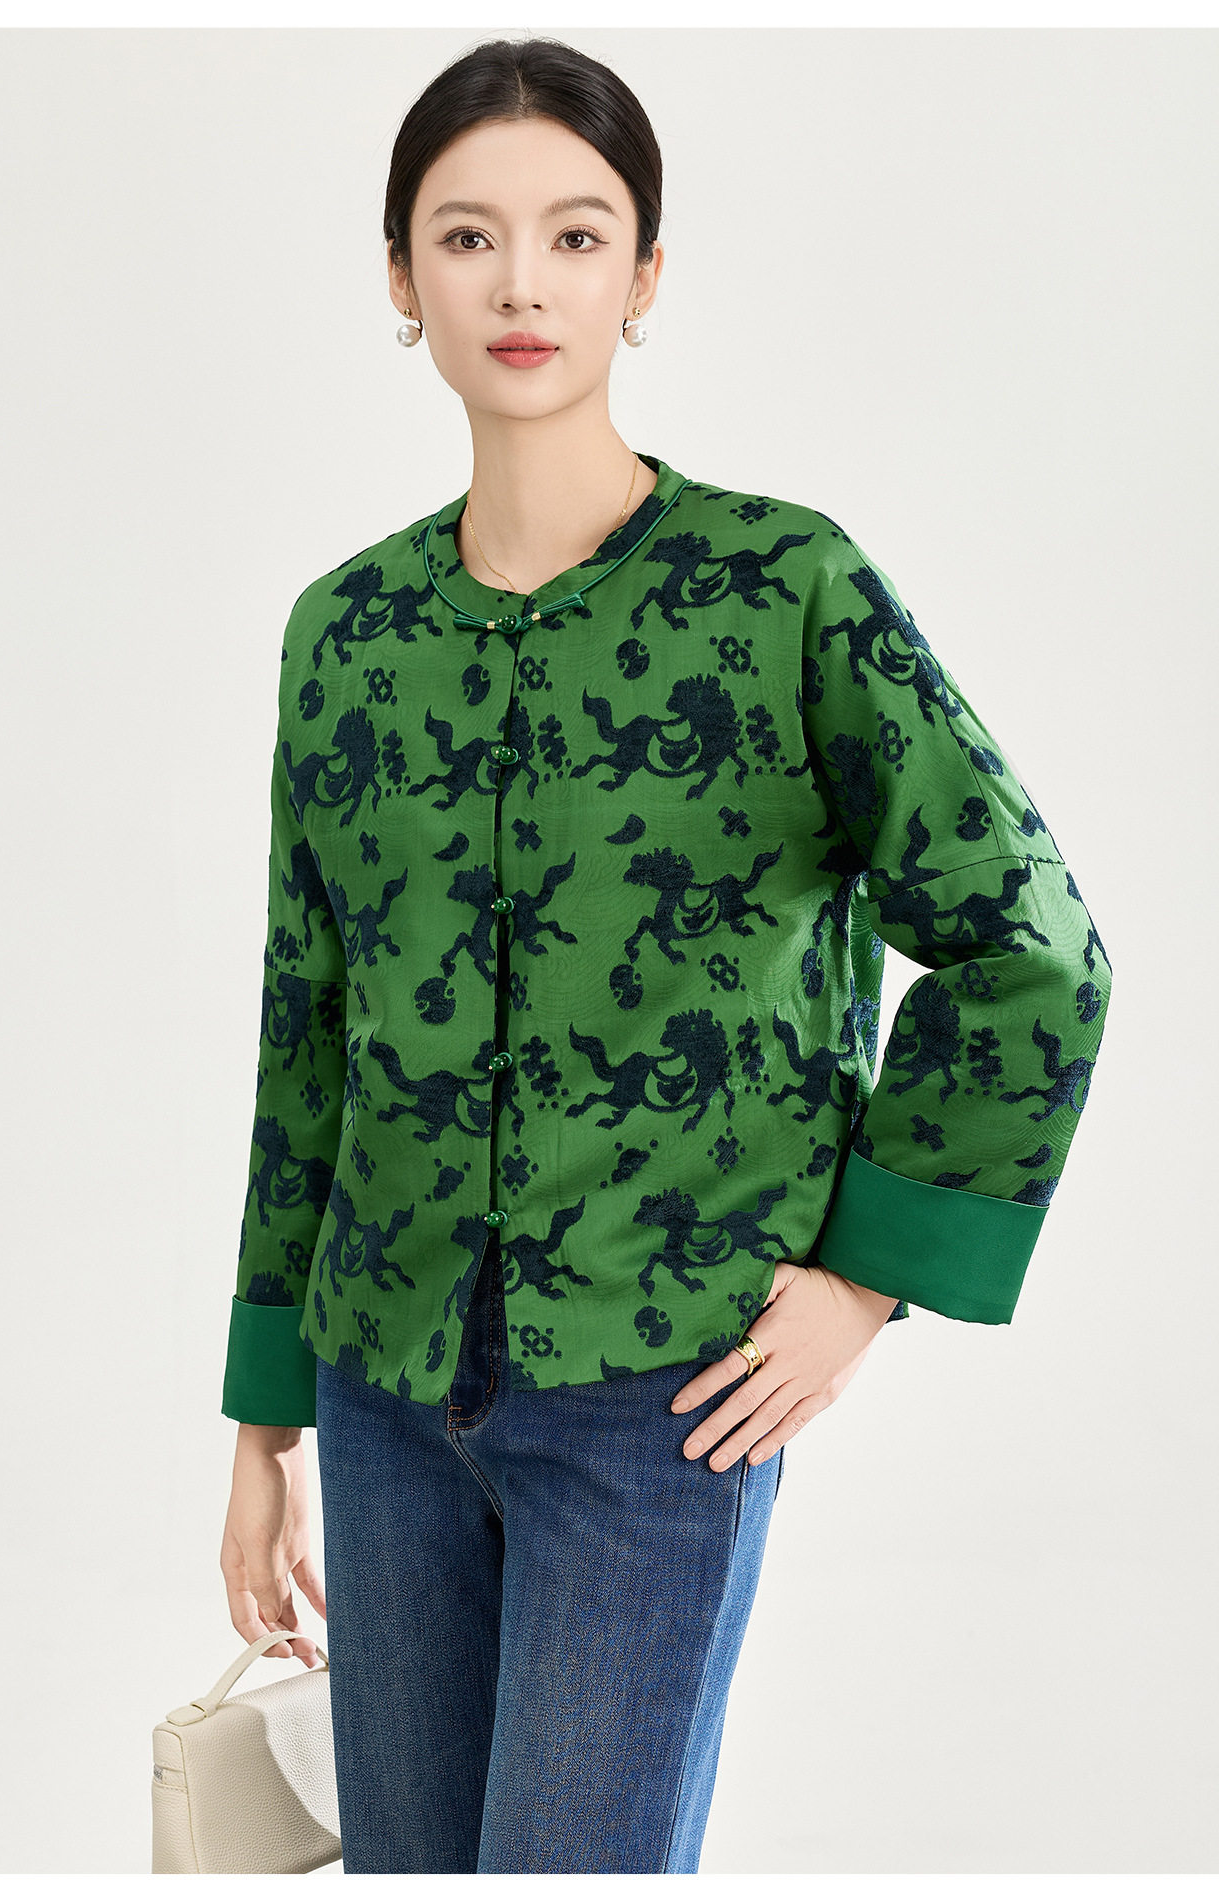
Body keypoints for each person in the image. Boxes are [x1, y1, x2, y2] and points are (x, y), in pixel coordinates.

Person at [217, 36, 1113, 1876]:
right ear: (400, 279)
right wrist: (264, 1414)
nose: (520, 285)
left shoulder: (785, 591)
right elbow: (309, 1022)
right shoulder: (348, 635)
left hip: (660, 1401)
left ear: (643, 275)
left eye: (575, 234)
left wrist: (865, 1281)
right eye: (467, 237)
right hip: (380, 1395)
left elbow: (1033, 946)